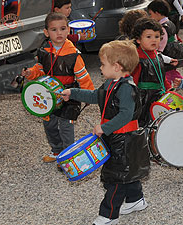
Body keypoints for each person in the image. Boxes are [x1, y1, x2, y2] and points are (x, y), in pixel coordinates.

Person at [61, 40, 150, 225]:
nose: (100, 67)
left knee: (115, 177)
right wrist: (73, 92)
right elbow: (95, 96)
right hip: (115, 137)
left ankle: (109, 215)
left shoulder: (126, 88)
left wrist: (105, 127)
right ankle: (135, 200)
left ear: (116, 67)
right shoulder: (110, 83)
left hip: (124, 139)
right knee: (126, 171)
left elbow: (126, 115)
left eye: (102, 64)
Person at [22, 12, 94, 162]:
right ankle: (56, 151)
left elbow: (83, 76)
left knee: (66, 126)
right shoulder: (43, 51)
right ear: (46, 33)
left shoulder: (74, 54)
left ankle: (68, 157)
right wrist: (30, 73)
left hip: (68, 96)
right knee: (49, 124)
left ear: (68, 30)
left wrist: (88, 94)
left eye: (62, 28)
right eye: (54, 30)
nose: (59, 33)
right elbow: (40, 69)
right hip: (48, 95)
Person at [130, 18, 174, 127]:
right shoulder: (137, 59)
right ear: (138, 40)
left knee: (158, 123)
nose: (154, 40)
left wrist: (168, 88)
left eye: (157, 37)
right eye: (148, 37)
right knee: (143, 123)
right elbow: (132, 81)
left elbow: (161, 76)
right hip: (143, 98)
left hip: (158, 95)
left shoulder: (157, 55)